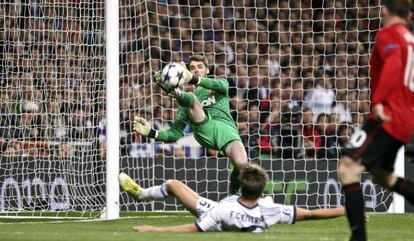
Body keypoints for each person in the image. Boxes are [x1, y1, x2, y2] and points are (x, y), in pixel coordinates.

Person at [337, 1, 414, 240]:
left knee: (348, 168)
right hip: (405, 118)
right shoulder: (410, 38)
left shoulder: (388, 34)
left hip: (387, 116)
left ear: (384, 11)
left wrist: (379, 101)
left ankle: (358, 238)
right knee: (383, 176)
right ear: (409, 14)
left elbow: (393, 64)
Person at [133, 55, 247, 194]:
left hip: (227, 132)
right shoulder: (187, 103)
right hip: (205, 130)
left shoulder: (220, 85)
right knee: (191, 98)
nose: (196, 70)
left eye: (200, 67)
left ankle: (232, 197)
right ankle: (177, 93)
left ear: (207, 71)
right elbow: (175, 133)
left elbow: (222, 85)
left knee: (241, 165)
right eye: (192, 68)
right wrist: (152, 133)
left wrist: (193, 79)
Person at [119, 163, 346, 233]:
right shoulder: (270, 209)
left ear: (240, 187)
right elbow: (311, 214)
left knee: (173, 184)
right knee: (176, 187)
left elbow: (193, 229)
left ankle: (140, 195)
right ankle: (140, 193)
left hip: (214, 214)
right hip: (236, 215)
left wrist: (154, 230)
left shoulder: (223, 210)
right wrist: (347, 210)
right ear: (261, 191)